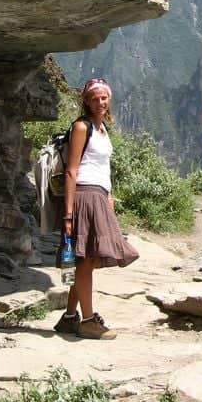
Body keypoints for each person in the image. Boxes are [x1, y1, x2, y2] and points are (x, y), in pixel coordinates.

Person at [53, 77, 139, 339]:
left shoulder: (102, 130)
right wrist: (68, 213)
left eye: (104, 98)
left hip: (99, 197)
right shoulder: (81, 127)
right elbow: (71, 170)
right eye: (95, 98)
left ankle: (70, 317)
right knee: (86, 259)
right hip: (84, 197)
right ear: (86, 101)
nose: (100, 102)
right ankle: (88, 320)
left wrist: (109, 196)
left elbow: (103, 168)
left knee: (85, 259)